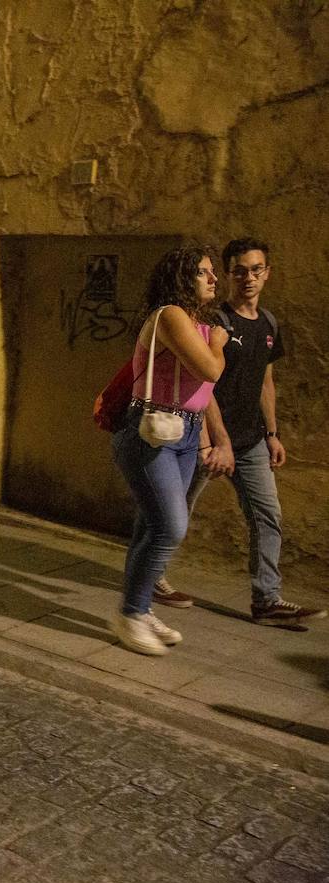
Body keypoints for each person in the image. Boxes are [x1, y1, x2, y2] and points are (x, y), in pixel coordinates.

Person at [158, 238, 323, 626]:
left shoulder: (268, 323)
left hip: (250, 442)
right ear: (228, 274)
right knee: (174, 511)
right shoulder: (213, 321)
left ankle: (266, 600)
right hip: (204, 437)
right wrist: (217, 440)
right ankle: (152, 577)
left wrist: (272, 432)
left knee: (268, 516)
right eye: (239, 270)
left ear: (267, 273)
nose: (248, 277)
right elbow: (202, 384)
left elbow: (266, 381)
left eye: (256, 269)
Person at [107, 247, 229, 655]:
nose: (213, 279)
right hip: (152, 433)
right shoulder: (172, 315)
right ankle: (131, 614)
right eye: (204, 273)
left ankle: (138, 610)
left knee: (150, 526)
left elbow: (201, 391)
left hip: (186, 433)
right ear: (182, 277)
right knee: (170, 527)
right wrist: (220, 342)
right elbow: (211, 371)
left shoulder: (196, 323)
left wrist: (211, 438)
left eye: (214, 273)